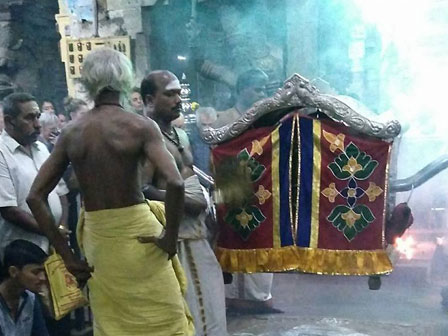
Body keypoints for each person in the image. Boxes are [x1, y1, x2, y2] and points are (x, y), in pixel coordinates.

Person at [26, 48, 194, 336]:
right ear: (125, 81)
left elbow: (34, 197)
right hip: (141, 237)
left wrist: (68, 257)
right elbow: (177, 183)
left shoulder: (72, 132)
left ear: (89, 81)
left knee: (113, 325)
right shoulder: (140, 126)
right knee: (164, 320)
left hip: (99, 242)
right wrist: (169, 238)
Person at [141, 70, 227, 336]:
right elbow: (141, 189)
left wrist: (213, 193)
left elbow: (191, 173)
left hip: (197, 230)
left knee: (211, 300)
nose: (177, 99)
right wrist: (182, 202)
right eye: (169, 94)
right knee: (193, 303)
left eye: (179, 93)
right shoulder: (143, 136)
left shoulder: (181, 135)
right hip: (176, 235)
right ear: (149, 99)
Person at [213, 69, 281, 314]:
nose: (262, 94)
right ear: (241, 90)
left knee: (264, 242)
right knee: (234, 242)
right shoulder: (223, 119)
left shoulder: (268, 121)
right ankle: (236, 300)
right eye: (257, 89)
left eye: (264, 89)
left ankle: (260, 298)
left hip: (263, 193)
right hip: (231, 192)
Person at [0, 92, 69, 260]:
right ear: (9, 121)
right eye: (29, 118)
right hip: (22, 250)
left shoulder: (42, 149)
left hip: (55, 243)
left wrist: (61, 229)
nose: (38, 124)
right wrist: (53, 232)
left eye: (38, 116)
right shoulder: (2, 153)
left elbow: (60, 192)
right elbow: (9, 210)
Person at [0, 239, 49, 336]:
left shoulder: (31, 299)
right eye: (35, 272)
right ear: (13, 272)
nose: (43, 278)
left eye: (44, 272)